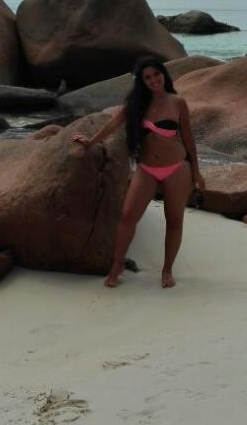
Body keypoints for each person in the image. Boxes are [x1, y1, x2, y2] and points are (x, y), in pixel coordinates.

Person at [71, 56, 205, 288]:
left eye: (156, 74)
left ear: (164, 74)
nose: (154, 80)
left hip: (177, 168)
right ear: (142, 82)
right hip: (147, 169)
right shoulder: (135, 105)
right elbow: (113, 123)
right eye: (148, 77)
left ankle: (167, 270)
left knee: (174, 220)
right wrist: (91, 142)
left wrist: (197, 171)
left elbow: (188, 139)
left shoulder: (178, 102)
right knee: (127, 217)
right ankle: (117, 267)